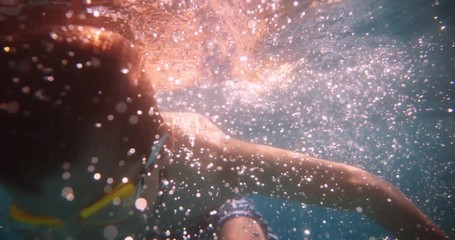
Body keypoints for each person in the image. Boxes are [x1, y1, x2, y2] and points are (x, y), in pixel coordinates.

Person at [0, 2, 448, 240]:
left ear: (153, 157)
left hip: (201, 214)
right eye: (35, 220)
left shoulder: (203, 162)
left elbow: (359, 188)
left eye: (104, 207)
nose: (79, 237)